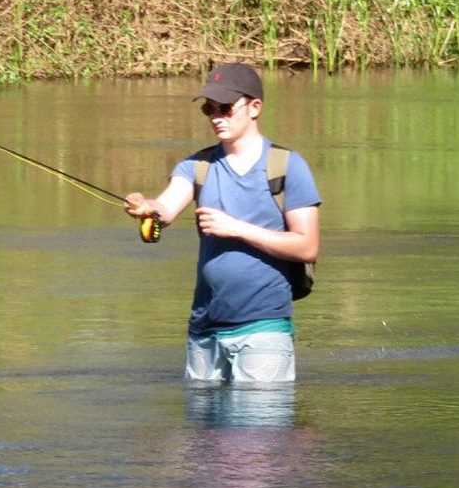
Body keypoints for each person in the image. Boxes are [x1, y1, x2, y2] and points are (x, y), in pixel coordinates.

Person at [125, 63, 321, 383]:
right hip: (203, 331)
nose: (216, 116)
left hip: (264, 329)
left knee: (257, 433)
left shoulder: (287, 166)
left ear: (255, 107)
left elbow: (307, 246)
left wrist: (237, 229)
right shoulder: (196, 166)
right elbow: (165, 208)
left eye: (225, 108)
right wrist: (146, 207)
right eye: (209, 108)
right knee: (203, 435)